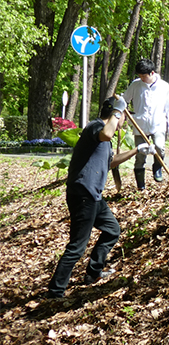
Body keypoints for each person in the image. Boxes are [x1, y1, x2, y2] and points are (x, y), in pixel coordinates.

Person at [46, 97, 156, 298]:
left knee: (112, 230)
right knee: (77, 245)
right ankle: (55, 291)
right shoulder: (96, 127)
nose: (124, 121)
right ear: (117, 114)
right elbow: (106, 132)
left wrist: (136, 151)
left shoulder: (104, 138)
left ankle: (93, 273)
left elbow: (110, 162)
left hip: (94, 195)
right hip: (83, 194)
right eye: (123, 116)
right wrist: (118, 111)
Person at [123, 58, 169, 190]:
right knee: (140, 155)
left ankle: (157, 167)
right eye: (139, 76)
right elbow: (124, 100)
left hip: (158, 124)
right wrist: (122, 112)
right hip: (140, 124)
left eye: (143, 76)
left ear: (152, 73)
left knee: (159, 147)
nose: (141, 78)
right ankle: (140, 185)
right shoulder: (135, 85)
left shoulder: (163, 86)